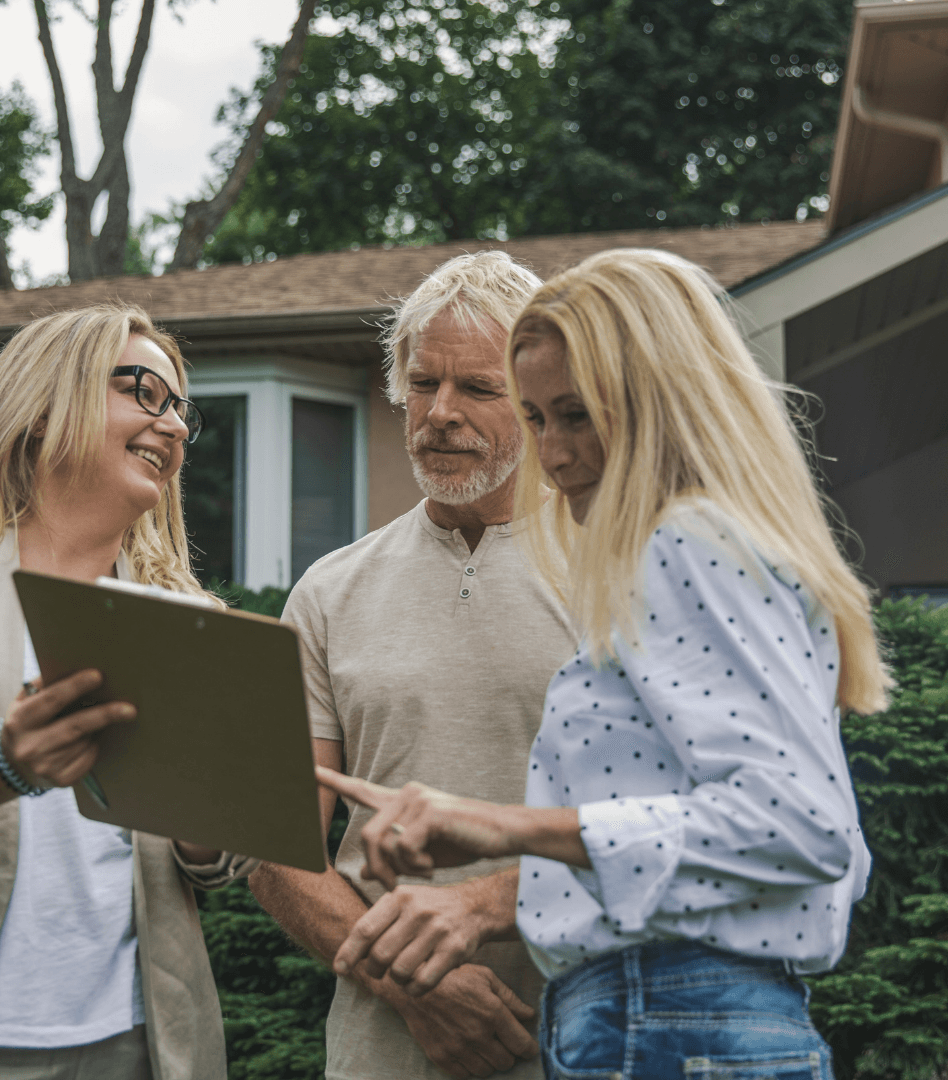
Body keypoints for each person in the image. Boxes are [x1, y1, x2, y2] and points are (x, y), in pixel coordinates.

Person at [318, 248, 891, 1080]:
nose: (554, 452)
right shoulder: (709, 545)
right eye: (540, 416)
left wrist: (498, 827)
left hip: (668, 1019)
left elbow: (801, 826)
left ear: (662, 398)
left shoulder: (686, 544)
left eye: (576, 414)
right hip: (692, 1017)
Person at [0, 305, 257, 1080]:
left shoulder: (184, 617)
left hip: (141, 1045)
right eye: (145, 391)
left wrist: (216, 812)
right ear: (45, 406)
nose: (174, 426)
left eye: (181, 408)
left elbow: (215, 864)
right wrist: (4, 762)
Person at [248, 251, 578, 1080]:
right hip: (384, 1048)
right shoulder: (329, 590)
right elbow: (275, 843)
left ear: (535, 401)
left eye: (478, 389)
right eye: (423, 383)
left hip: (583, 1030)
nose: (440, 413)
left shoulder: (618, 567)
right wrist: (416, 988)